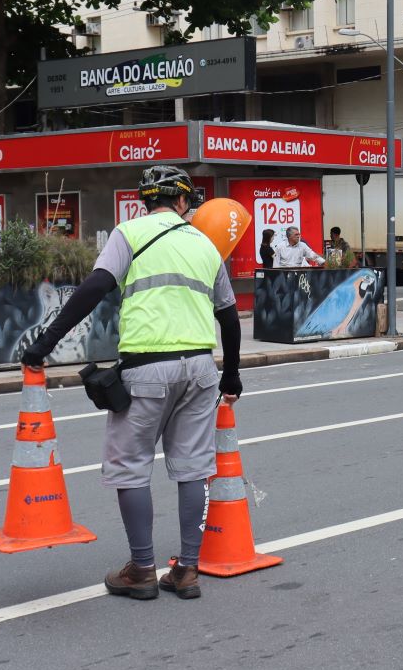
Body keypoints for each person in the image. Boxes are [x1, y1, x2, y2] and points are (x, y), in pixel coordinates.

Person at [20, 165, 242, 601]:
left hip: (146, 370)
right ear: (181, 202)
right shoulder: (205, 244)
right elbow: (229, 317)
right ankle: (188, 570)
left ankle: (142, 569)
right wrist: (231, 374)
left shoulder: (131, 233)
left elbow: (95, 287)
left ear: (147, 200)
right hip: (200, 369)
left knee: (130, 466)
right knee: (194, 467)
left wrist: (45, 341)